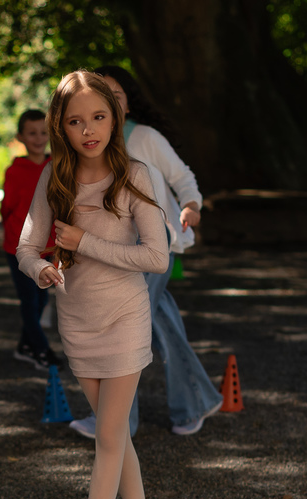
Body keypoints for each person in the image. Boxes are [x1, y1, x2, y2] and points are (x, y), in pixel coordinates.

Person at [18, 70, 184, 499]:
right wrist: (40, 269)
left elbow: (156, 257)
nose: (89, 129)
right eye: (75, 121)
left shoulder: (137, 174)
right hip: (77, 321)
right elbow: (26, 247)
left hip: (126, 316)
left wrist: (84, 241)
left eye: (99, 116)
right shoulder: (55, 179)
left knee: (108, 438)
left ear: (116, 117)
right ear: (60, 127)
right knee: (117, 434)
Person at [63, 65, 223, 439]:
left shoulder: (146, 138)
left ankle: (116, 423)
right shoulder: (85, 145)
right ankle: (196, 401)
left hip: (150, 247)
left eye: (116, 98)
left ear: (128, 105)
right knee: (160, 323)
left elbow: (183, 178)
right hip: (107, 251)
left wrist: (192, 206)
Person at [0, 109, 59, 371]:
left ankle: (25, 346)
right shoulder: (15, 170)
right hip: (18, 247)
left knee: (42, 300)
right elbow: (8, 207)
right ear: (20, 137)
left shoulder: (57, 166)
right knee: (30, 300)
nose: (38, 138)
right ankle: (42, 350)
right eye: (31, 133)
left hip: (47, 246)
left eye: (43, 132)